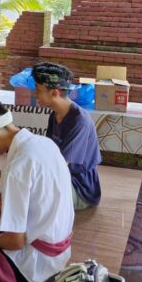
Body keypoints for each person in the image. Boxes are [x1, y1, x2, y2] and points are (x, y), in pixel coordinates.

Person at [0, 98, 74, 282]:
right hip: (58, 251)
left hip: (36, 260)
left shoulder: (17, 167)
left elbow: (15, 242)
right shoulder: (44, 143)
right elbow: (24, 198)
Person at [32, 62, 102, 209]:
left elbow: (60, 165)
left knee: (32, 194)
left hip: (80, 188)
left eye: (38, 89)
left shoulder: (79, 122)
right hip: (63, 177)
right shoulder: (55, 115)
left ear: (54, 93)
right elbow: (48, 153)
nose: (35, 93)